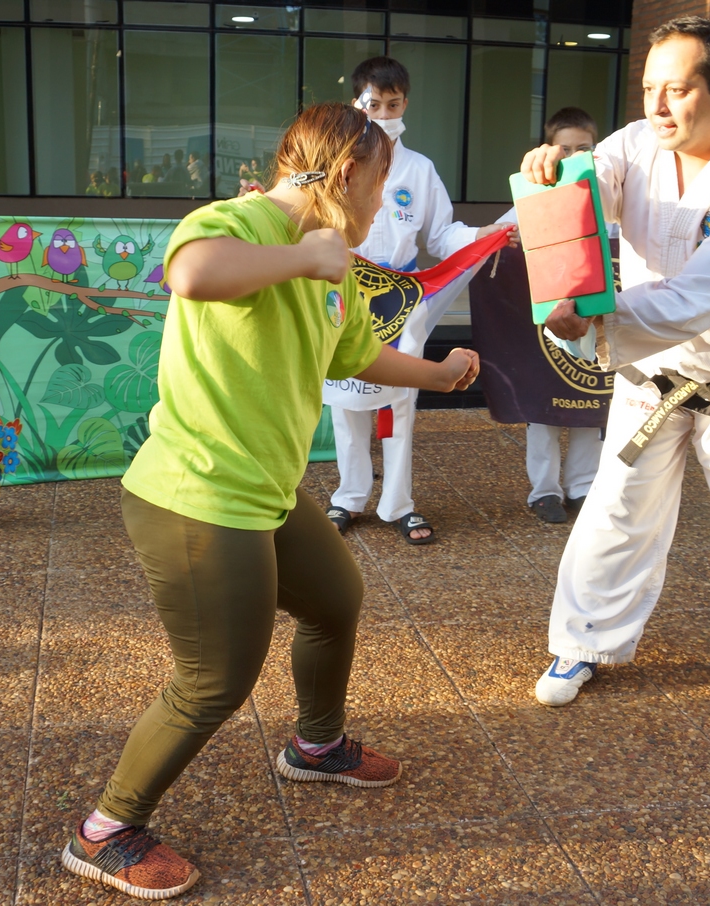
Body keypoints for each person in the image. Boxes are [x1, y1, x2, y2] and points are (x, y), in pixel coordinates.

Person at [62, 102, 482, 900]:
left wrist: (438, 373)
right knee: (214, 680)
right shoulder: (243, 220)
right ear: (348, 174)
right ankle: (105, 830)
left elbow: (354, 353)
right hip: (196, 495)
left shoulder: (334, 263)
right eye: (382, 186)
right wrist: (302, 258)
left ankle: (316, 748)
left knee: (335, 599)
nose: (384, 205)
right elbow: (191, 274)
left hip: (264, 491)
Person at [522, 17, 710, 716]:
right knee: (615, 511)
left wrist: (593, 320)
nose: (657, 106)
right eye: (649, 87)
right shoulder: (636, 143)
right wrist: (560, 176)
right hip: (651, 374)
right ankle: (581, 642)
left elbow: (694, 300)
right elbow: (595, 187)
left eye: (677, 90)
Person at [326, 56, 516, 545]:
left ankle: (398, 503)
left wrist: (482, 234)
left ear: (405, 104)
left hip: (401, 297)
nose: (383, 114)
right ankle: (349, 496)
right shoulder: (335, 164)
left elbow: (442, 235)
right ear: (357, 103)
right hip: (345, 291)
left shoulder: (419, 169)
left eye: (392, 105)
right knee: (346, 400)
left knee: (401, 399)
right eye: (373, 104)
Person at [521, 107, 607, 524]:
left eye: (582, 149)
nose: (573, 156)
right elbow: (506, 232)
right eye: (565, 149)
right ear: (548, 149)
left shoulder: (608, 198)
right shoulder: (532, 195)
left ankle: (583, 485)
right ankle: (544, 491)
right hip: (547, 327)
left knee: (592, 402)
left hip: (594, 323)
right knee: (544, 407)